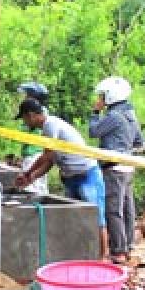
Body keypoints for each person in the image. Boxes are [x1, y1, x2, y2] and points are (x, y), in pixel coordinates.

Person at [14, 98, 108, 261]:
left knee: (96, 218)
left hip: (87, 175)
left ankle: (102, 258)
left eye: (24, 118)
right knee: (74, 218)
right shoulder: (47, 129)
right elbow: (50, 162)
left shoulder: (51, 125)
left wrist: (28, 172)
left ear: (31, 116)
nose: (25, 122)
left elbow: (47, 155)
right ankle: (81, 255)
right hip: (71, 178)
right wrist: (31, 177)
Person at [90, 76, 145, 263]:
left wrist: (95, 112)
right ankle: (128, 246)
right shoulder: (131, 115)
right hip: (128, 167)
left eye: (103, 96)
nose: (101, 99)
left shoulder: (114, 116)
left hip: (113, 169)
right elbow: (139, 141)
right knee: (127, 208)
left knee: (113, 210)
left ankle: (118, 250)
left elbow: (93, 131)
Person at [15, 82, 51, 194]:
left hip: (35, 153)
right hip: (30, 154)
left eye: (28, 95)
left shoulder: (39, 114)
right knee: (34, 186)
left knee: (33, 189)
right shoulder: (36, 112)